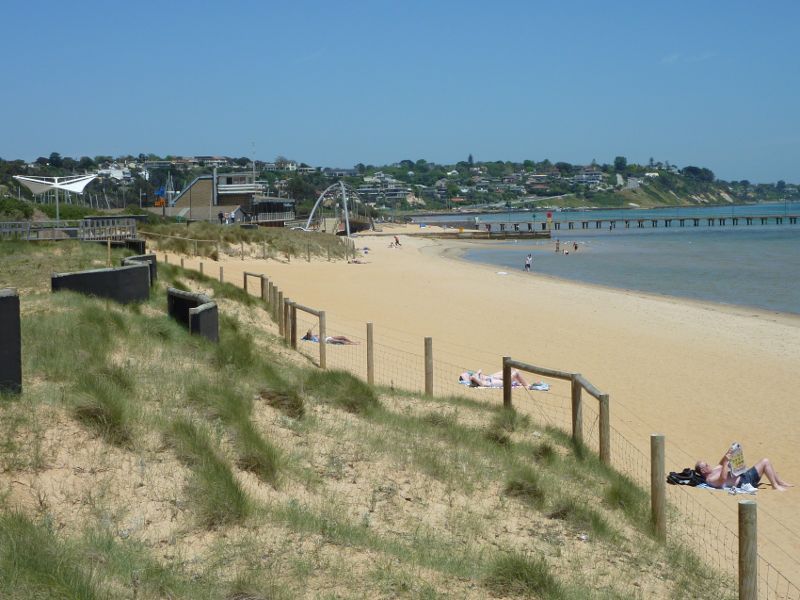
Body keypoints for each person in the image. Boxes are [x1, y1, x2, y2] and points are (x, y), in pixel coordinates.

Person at [695, 446, 793, 491]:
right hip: (744, 481)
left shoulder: (715, 469)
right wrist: (726, 462)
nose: (709, 465)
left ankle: (780, 482)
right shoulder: (710, 479)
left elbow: (721, 463)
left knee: (765, 460)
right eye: (706, 465)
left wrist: (729, 452)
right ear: (703, 471)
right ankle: (775, 485)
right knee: (765, 462)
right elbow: (723, 479)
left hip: (744, 475)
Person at [459, 369, 531, 389]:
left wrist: (478, 374)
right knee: (516, 372)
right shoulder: (482, 383)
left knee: (508, 370)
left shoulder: (480, 379)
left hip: (494, 378)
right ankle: (528, 385)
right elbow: (477, 380)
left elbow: (479, 372)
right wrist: (476, 376)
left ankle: (519, 382)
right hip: (505, 383)